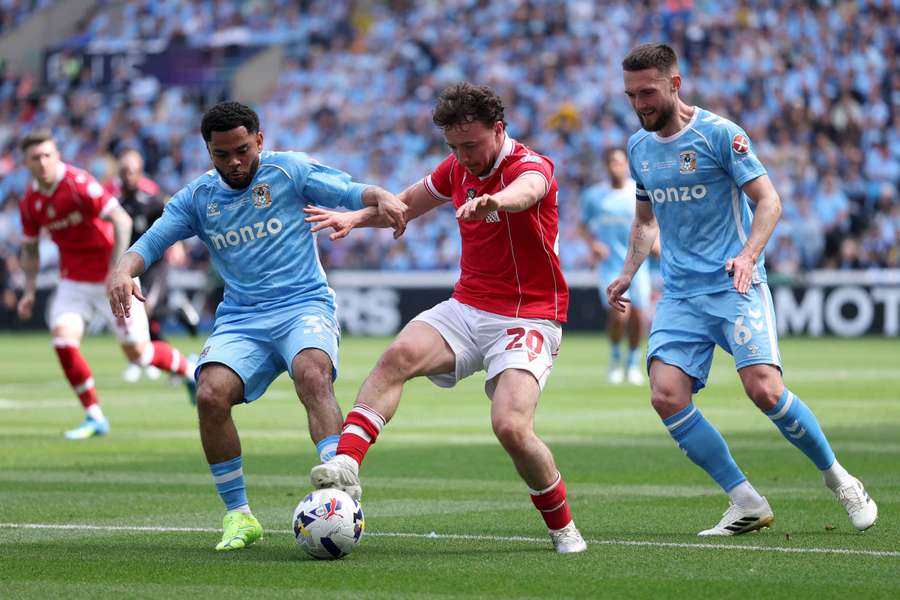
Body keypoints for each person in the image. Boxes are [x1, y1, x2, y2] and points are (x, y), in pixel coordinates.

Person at [106, 101, 407, 552]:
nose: (234, 162)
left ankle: (339, 491)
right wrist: (122, 269)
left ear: (259, 141)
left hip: (303, 305)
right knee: (210, 393)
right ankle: (239, 516)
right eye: (222, 154)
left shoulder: (289, 172)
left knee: (312, 373)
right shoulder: (198, 198)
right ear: (208, 152)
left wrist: (377, 195)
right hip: (242, 318)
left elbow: (348, 189)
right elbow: (151, 241)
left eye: (242, 150)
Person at [304, 82, 587, 554]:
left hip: (528, 317)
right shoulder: (456, 168)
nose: (463, 156)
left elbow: (528, 190)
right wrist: (355, 218)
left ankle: (563, 527)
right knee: (396, 356)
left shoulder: (530, 166)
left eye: (471, 145)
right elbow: (405, 206)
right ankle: (347, 466)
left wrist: (497, 201)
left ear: (499, 130)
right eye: (454, 146)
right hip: (468, 306)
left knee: (511, 427)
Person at [608, 43, 877, 535]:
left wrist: (749, 255)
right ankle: (745, 499)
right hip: (681, 294)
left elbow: (769, 201)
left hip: (735, 283)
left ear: (675, 84)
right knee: (666, 395)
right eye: (631, 95)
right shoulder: (638, 149)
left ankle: (840, 478)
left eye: (647, 92)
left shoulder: (720, 135)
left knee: (764, 390)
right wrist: (629, 271)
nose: (639, 103)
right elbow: (646, 222)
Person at [16, 130, 197, 440]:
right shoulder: (30, 202)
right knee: (62, 340)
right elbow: (30, 249)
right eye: (36, 157)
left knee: (138, 354)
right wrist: (29, 291)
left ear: (57, 155)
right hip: (73, 281)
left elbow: (122, 220)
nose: (43, 162)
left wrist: (118, 272)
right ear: (27, 163)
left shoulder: (78, 184)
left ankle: (189, 370)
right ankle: (94, 415)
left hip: (111, 279)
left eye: (48, 155)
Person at [104, 148, 200, 382]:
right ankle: (169, 363)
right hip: (131, 269)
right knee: (143, 318)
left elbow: (172, 221)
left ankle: (178, 313)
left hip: (155, 266)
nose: (127, 176)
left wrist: (176, 245)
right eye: (124, 171)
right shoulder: (116, 204)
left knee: (146, 310)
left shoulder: (152, 200)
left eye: (132, 171)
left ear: (140, 173)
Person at [579, 147, 655, 385]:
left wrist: (657, 242)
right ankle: (615, 359)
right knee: (620, 314)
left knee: (639, 315)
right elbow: (583, 226)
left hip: (638, 265)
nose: (616, 166)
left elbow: (653, 220)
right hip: (610, 264)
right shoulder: (594, 196)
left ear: (626, 165)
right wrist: (593, 244)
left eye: (620, 162)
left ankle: (632, 363)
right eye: (612, 162)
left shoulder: (639, 190)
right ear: (606, 165)